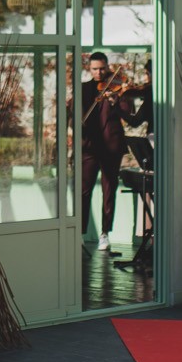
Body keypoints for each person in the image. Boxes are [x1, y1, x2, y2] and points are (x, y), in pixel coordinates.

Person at [76, 52, 131, 253]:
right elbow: (74, 117)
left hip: (111, 147)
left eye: (102, 68)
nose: (99, 72)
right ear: (88, 69)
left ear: (107, 66)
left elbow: (128, 114)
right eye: (94, 69)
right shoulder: (83, 89)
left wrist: (115, 101)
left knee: (109, 191)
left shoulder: (118, 88)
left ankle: (105, 234)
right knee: (84, 191)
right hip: (89, 147)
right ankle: (80, 234)